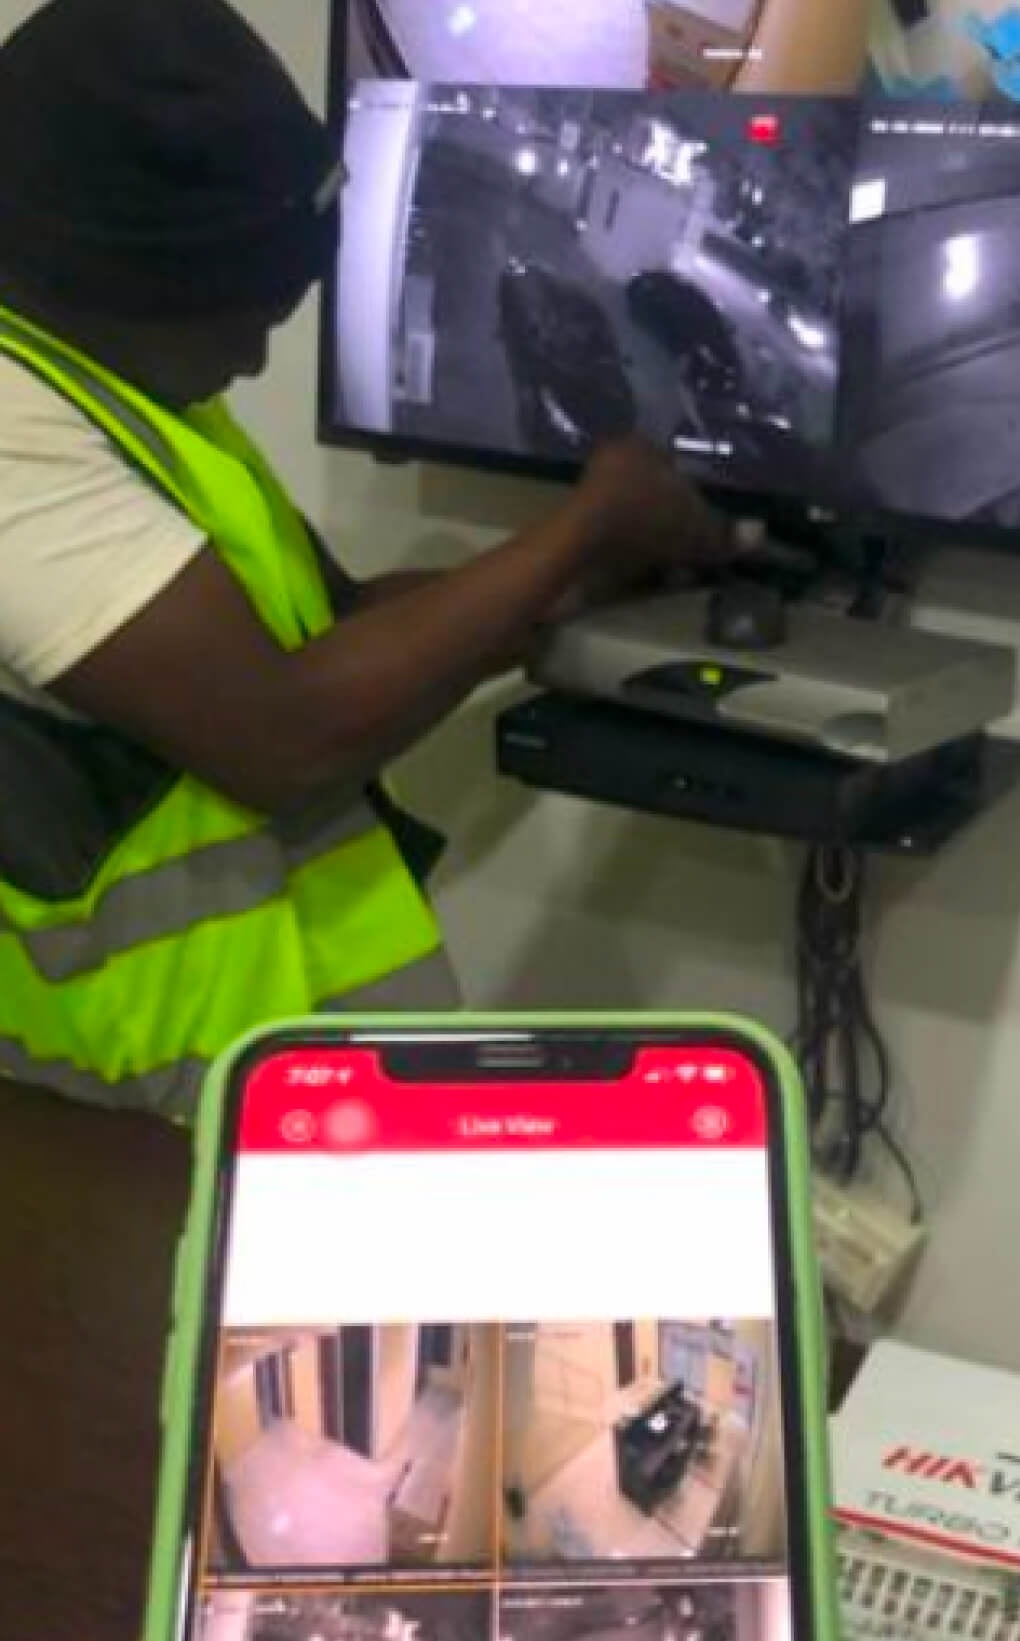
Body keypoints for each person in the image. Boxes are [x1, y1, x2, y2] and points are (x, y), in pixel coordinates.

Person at [0, 0, 743, 1118]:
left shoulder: (108, 390)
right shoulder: (14, 432)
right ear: (124, 276)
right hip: (137, 1121)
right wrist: (586, 523)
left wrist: (575, 585)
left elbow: (328, 631)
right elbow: (282, 736)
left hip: (285, 1091)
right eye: (245, 317)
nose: (256, 360)